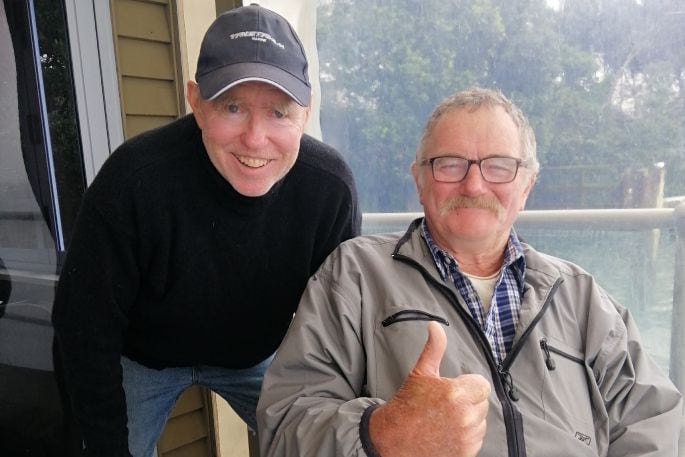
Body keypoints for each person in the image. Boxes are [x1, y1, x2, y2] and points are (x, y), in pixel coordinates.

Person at [257, 87, 683, 457]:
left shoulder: (581, 296)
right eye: (449, 164)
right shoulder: (354, 277)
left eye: (499, 166)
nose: (474, 185)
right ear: (419, 180)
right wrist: (379, 435)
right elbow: (285, 428)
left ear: (527, 185)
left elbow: (653, 420)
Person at [52, 4, 361, 457]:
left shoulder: (328, 188)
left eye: (279, 112)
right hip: (143, 358)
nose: (256, 140)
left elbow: (346, 323)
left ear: (306, 112)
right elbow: (83, 323)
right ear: (195, 102)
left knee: (322, 445)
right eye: (232, 106)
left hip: (256, 354)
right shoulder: (135, 179)